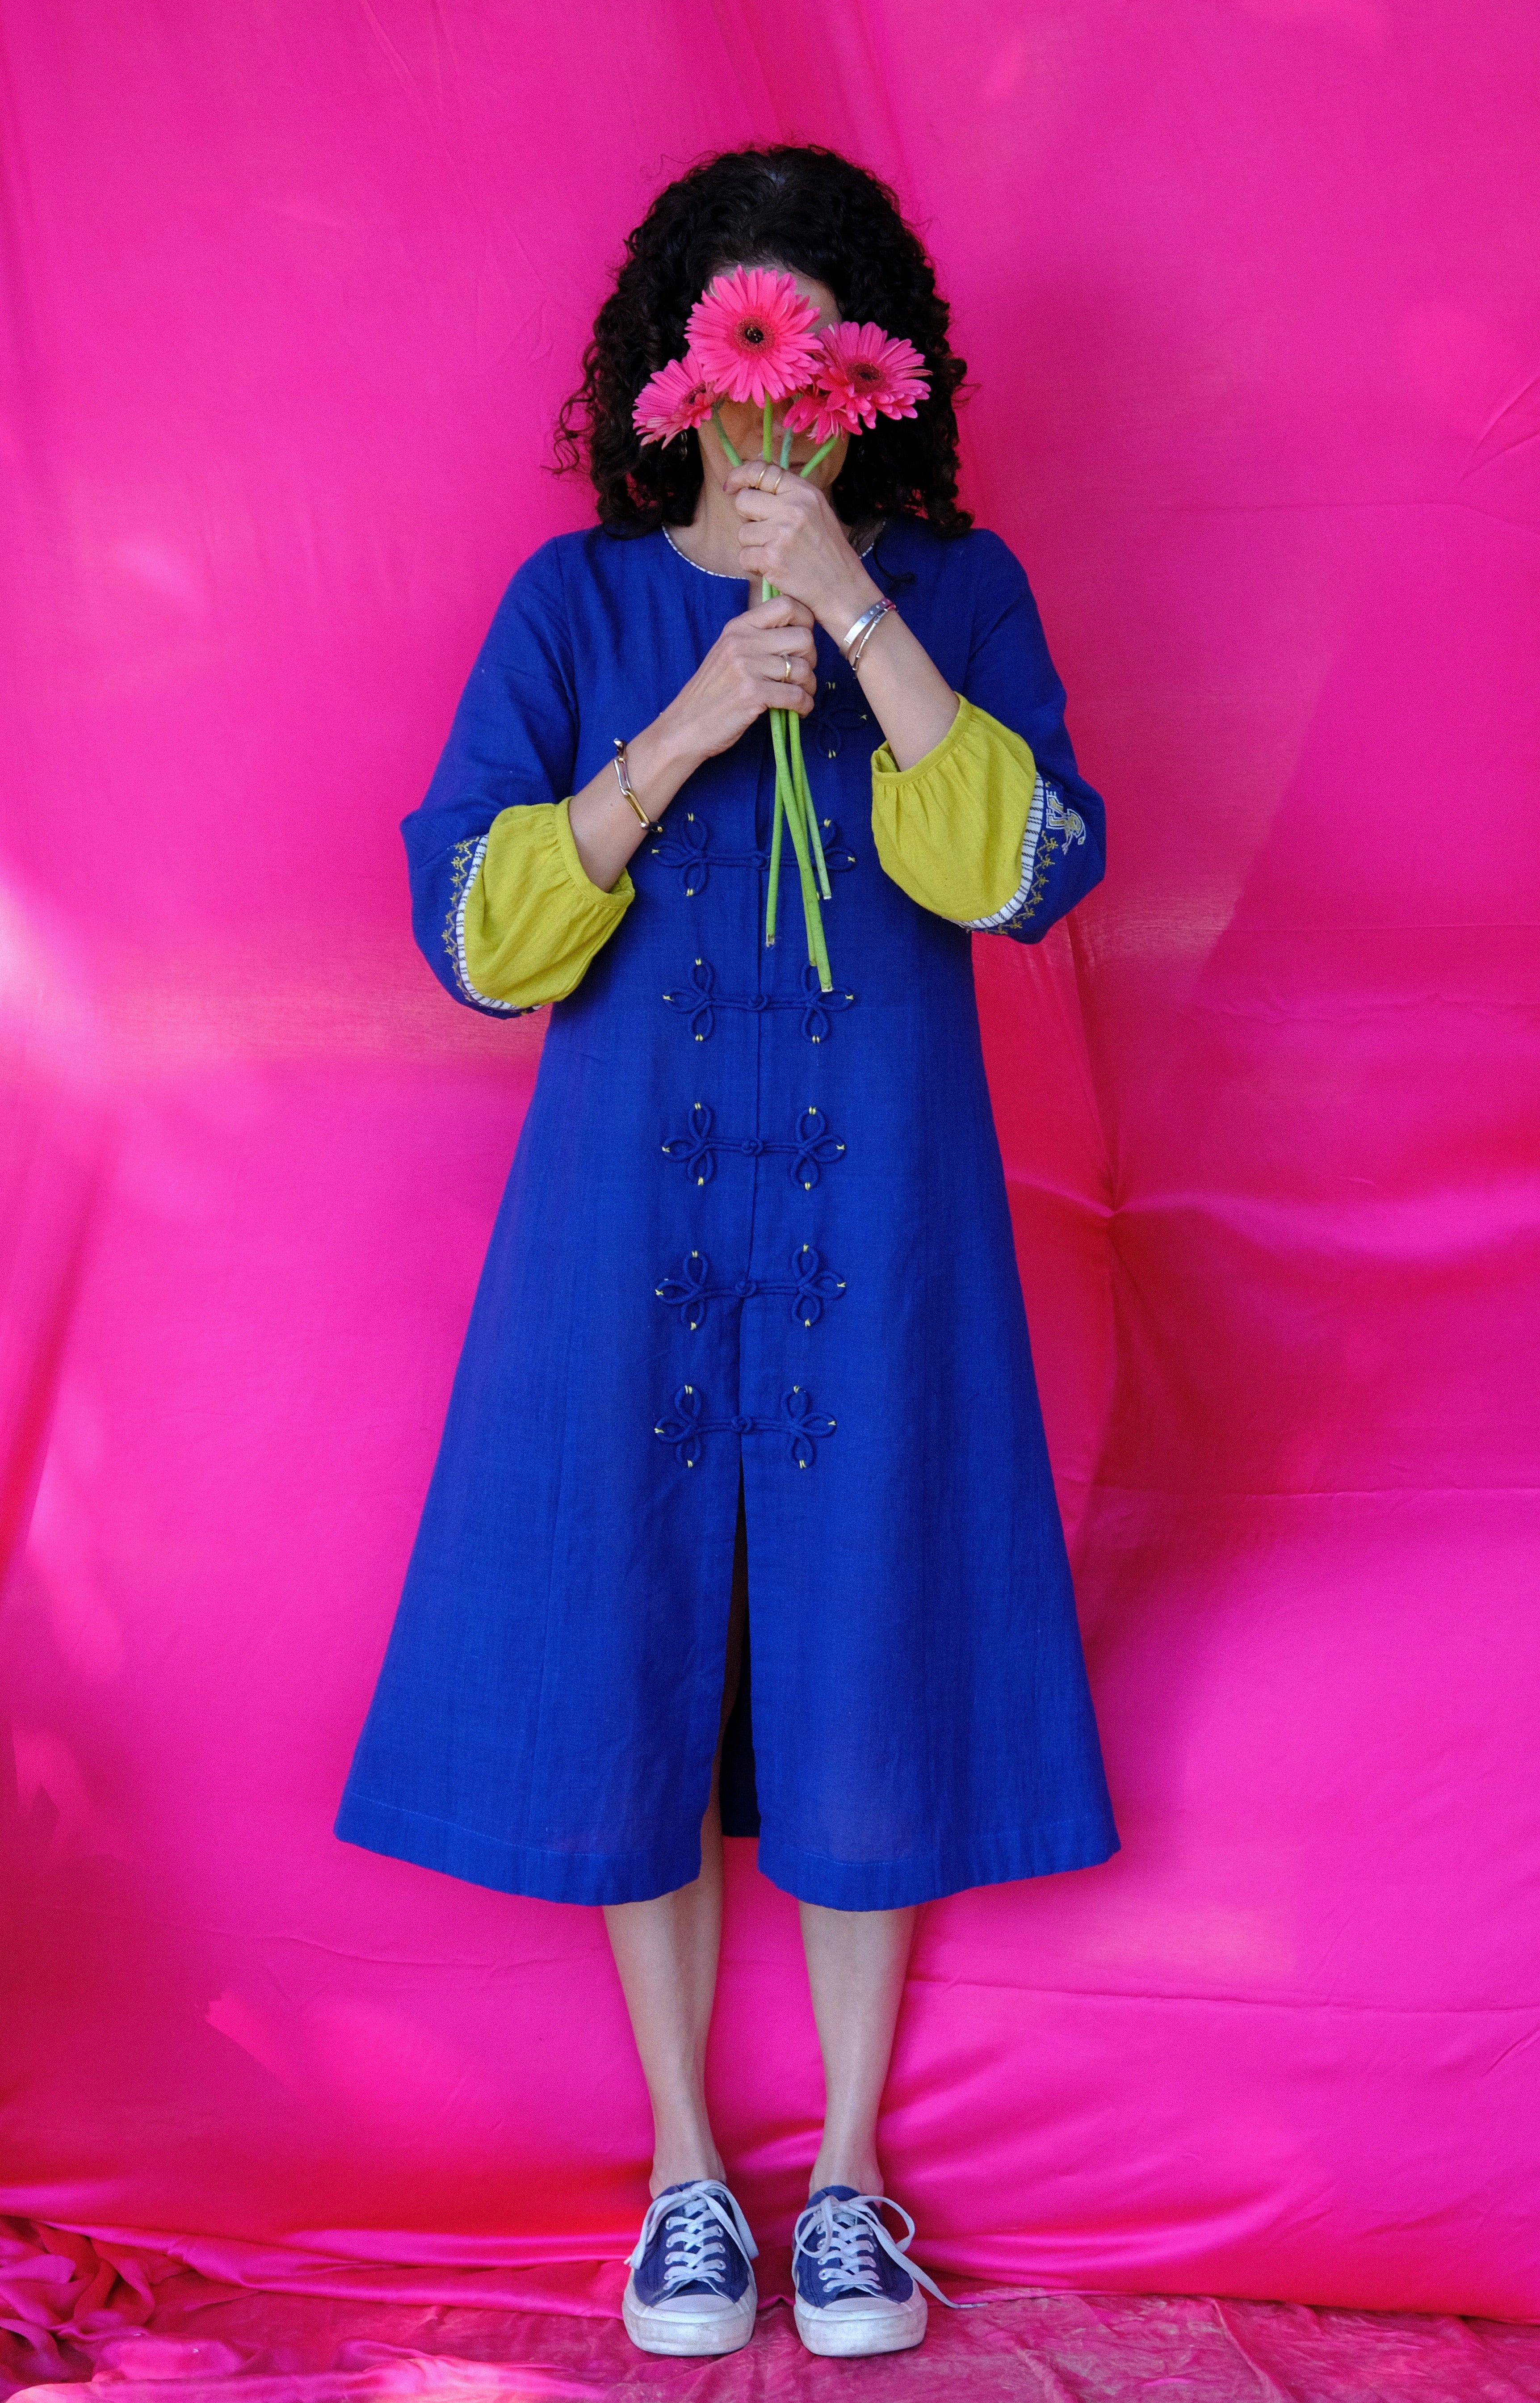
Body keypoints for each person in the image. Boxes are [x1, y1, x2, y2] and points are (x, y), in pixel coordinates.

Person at [335, 142, 1118, 2361]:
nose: (772, 403)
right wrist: (690, 718)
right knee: (630, 1656)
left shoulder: (955, 592)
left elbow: (1024, 871)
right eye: (735, 354)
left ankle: (850, 2176)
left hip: (884, 1233)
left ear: (874, 380)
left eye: (818, 357)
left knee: (873, 1649)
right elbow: (480, 933)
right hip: (626, 1244)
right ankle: (686, 2166)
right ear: (669, 378)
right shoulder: (572, 607)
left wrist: (854, 610)